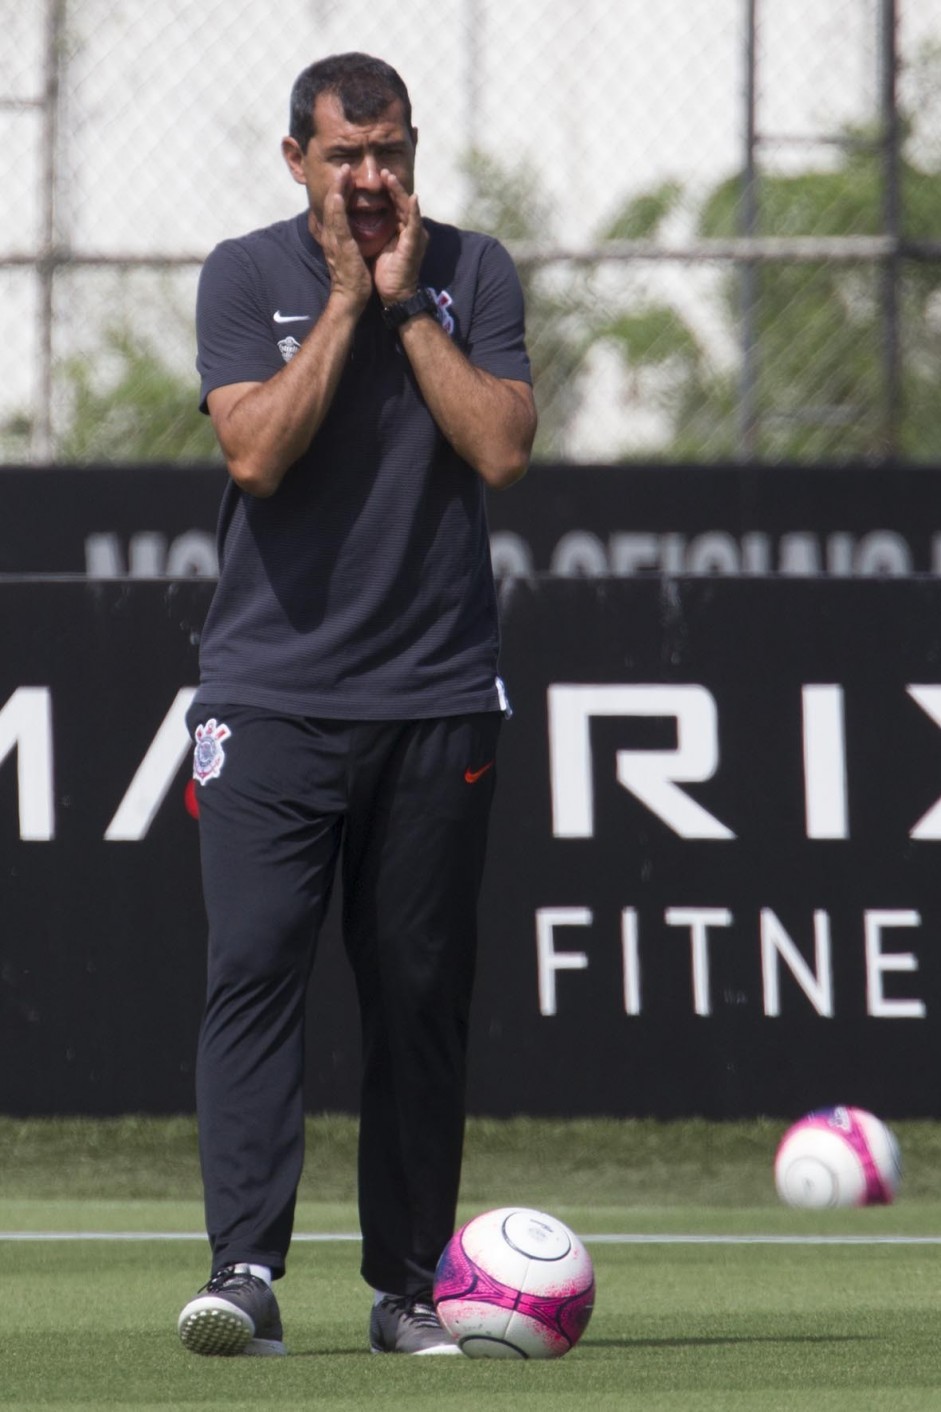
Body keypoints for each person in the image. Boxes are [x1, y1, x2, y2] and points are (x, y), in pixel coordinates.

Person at [176, 51, 536, 1358]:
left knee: (419, 990)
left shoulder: (472, 271)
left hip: (438, 692)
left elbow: (498, 443)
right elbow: (255, 452)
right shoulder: (244, 274)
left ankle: (404, 1289)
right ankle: (245, 1273)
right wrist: (340, 300)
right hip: (268, 693)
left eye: (389, 151)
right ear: (297, 163)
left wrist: (406, 310)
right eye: (344, 156)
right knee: (255, 964)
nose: (371, 178)